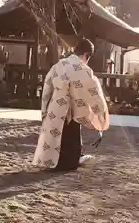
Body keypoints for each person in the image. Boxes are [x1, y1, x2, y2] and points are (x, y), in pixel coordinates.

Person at [33, 38, 109, 171]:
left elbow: (47, 88)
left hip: (55, 107)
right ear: (86, 55)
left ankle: (51, 162)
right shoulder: (84, 70)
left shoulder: (58, 65)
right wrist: (100, 112)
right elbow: (93, 92)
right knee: (71, 135)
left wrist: (45, 109)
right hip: (72, 109)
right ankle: (67, 162)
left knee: (54, 136)